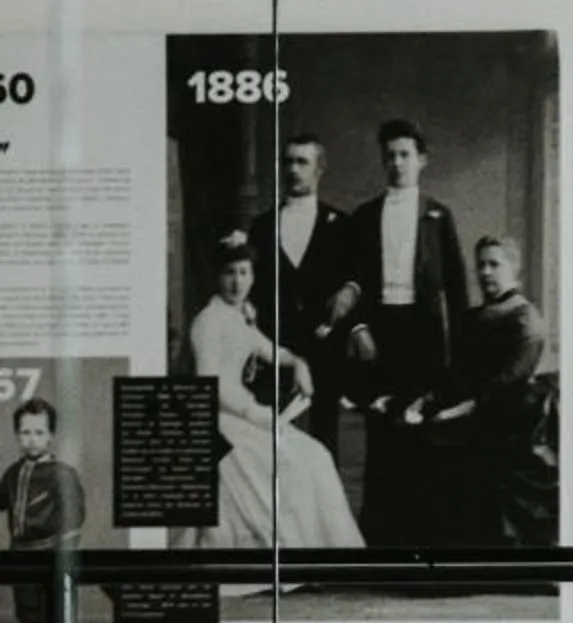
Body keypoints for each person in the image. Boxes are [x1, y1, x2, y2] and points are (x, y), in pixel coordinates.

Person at [178, 230, 364, 552]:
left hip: (241, 416)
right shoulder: (208, 321)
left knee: (316, 456)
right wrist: (256, 414)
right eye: (229, 273)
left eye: (243, 272)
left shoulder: (239, 316)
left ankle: (320, 551)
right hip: (217, 422)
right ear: (217, 276)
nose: (236, 282)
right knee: (296, 461)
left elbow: (268, 350)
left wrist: (298, 362)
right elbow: (211, 385)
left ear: (252, 276)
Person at [343, 118, 469, 542]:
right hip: (381, 331)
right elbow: (353, 280)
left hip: (422, 333)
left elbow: (456, 287)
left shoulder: (438, 216)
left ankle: (422, 537)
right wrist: (359, 327)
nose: (397, 163)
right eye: (390, 156)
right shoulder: (365, 216)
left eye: (405, 155)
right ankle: (380, 539)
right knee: (382, 433)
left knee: (420, 431)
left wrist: (457, 350)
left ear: (422, 160)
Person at [411, 233, 556, 545]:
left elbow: (507, 384)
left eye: (494, 264)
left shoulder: (525, 319)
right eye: (480, 265)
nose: (485, 272)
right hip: (474, 417)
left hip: (508, 426)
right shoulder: (474, 317)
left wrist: (455, 412)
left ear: (514, 267)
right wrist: (426, 400)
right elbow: (457, 376)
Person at [249, 134, 362, 456]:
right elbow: (252, 288)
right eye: (288, 162)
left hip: (325, 350)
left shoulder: (341, 225)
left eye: (302, 162)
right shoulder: (262, 226)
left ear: (319, 169)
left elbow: (358, 277)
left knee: (324, 441)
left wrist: (350, 289)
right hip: (277, 346)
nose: (293, 169)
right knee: (273, 442)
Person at [1, 397, 87, 623]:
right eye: (25, 432)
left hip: (51, 552)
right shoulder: (12, 473)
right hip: (20, 552)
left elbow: (74, 519)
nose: (32, 439)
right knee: (26, 608)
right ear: (17, 435)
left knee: (55, 611)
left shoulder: (63, 475)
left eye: (39, 432)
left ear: (51, 436)